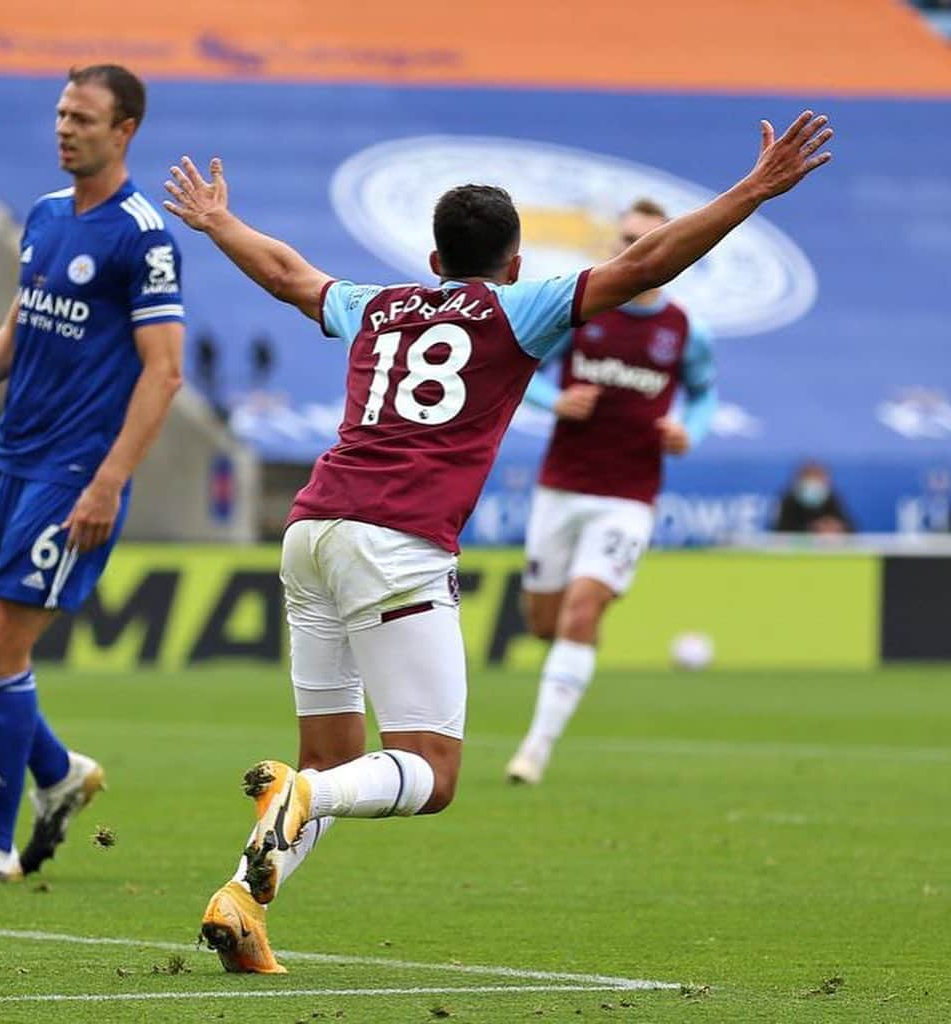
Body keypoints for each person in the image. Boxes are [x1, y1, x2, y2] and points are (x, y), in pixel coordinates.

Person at [162, 110, 833, 973]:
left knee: (330, 757)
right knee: (428, 773)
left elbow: (289, 274)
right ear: (514, 264)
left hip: (310, 529)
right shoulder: (522, 308)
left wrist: (220, 222)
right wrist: (753, 189)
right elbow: (644, 265)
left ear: (433, 260)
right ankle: (299, 797)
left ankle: (243, 901)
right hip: (395, 545)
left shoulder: (379, 304)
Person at [0, 64, 185, 882]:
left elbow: (164, 372)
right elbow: (18, 330)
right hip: (4, 457)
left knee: (0, 641)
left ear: (125, 131)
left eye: (83, 117)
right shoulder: (42, 216)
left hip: (70, 473)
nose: (65, 127)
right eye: (61, 113)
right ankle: (58, 771)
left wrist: (109, 480)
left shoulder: (142, 236)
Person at [504, 197, 718, 785]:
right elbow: (526, 368)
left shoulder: (686, 330)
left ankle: (535, 750)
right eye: (625, 239)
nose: (632, 250)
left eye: (645, 240)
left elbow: (704, 393)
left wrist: (688, 431)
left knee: (582, 609)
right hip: (563, 486)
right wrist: (556, 400)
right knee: (544, 621)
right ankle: (563, 674)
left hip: (630, 493)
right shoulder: (584, 307)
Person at [773, 461, 854, 534]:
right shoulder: (789, 500)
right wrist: (812, 529)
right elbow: (779, 532)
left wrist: (837, 527)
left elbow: (852, 531)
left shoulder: (832, 498)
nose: (813, 483)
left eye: (817, 477)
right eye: (809, 478)